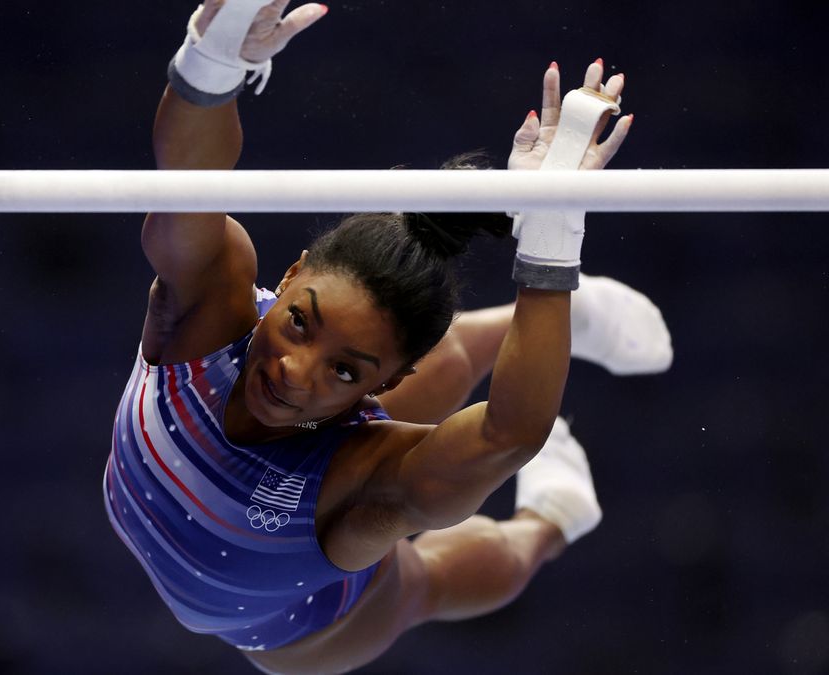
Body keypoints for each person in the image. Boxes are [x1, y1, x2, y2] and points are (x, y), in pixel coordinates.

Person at [103, 1, 671, 673]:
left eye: (344, 370)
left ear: (384, 387)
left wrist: (552, 242)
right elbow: (185, 182)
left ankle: (553, 518)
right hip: (314, 445)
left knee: (426, 582)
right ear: (288, 278)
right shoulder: (209, 309)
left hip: (297, 626)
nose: (295, 369)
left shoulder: (360, 484)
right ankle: (532, 330)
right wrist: (213, 58)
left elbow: (508, 436)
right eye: (298, 322)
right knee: (396, 361)